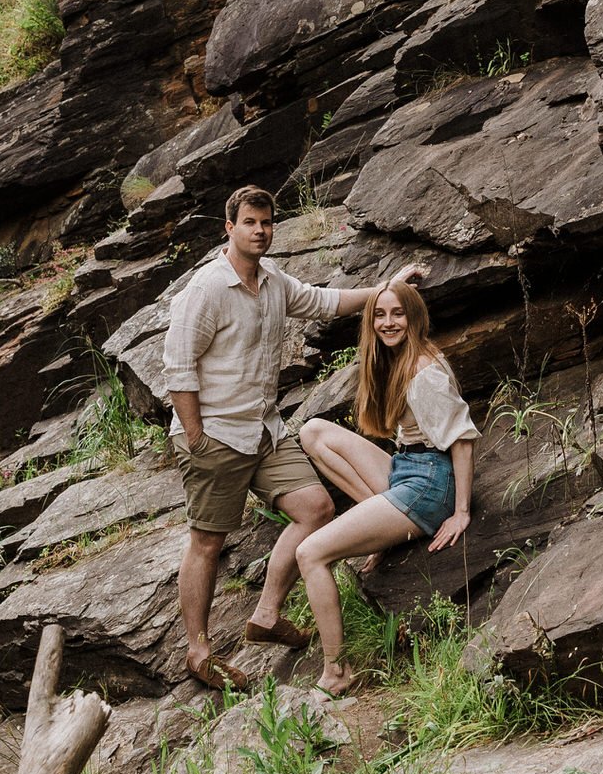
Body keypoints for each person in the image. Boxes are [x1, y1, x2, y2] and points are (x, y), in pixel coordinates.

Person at [162, 184, 423, 691]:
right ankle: (199, 649)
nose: (260, 231)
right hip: (215, 435)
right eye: (250, 223)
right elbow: (177, 367)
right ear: (229, 228)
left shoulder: (274, 281)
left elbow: (327, 302)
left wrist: (387, 291)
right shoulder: (208, 288)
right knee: (207, 542)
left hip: (264, 430)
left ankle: (266, 613)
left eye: (266, 222)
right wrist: (194, 435)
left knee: (316, 509)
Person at [295, 279, 476, 695]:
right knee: (314, 432)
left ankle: (336, 672)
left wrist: (461, 511)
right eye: (379, 314)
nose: (388, 322)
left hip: (430, 484)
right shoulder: (393, 358)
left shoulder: (423, 371)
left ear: (413, 317)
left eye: (398, 313)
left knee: (311, 554)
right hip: (408, 466)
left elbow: (462, 437)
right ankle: (381, 523)